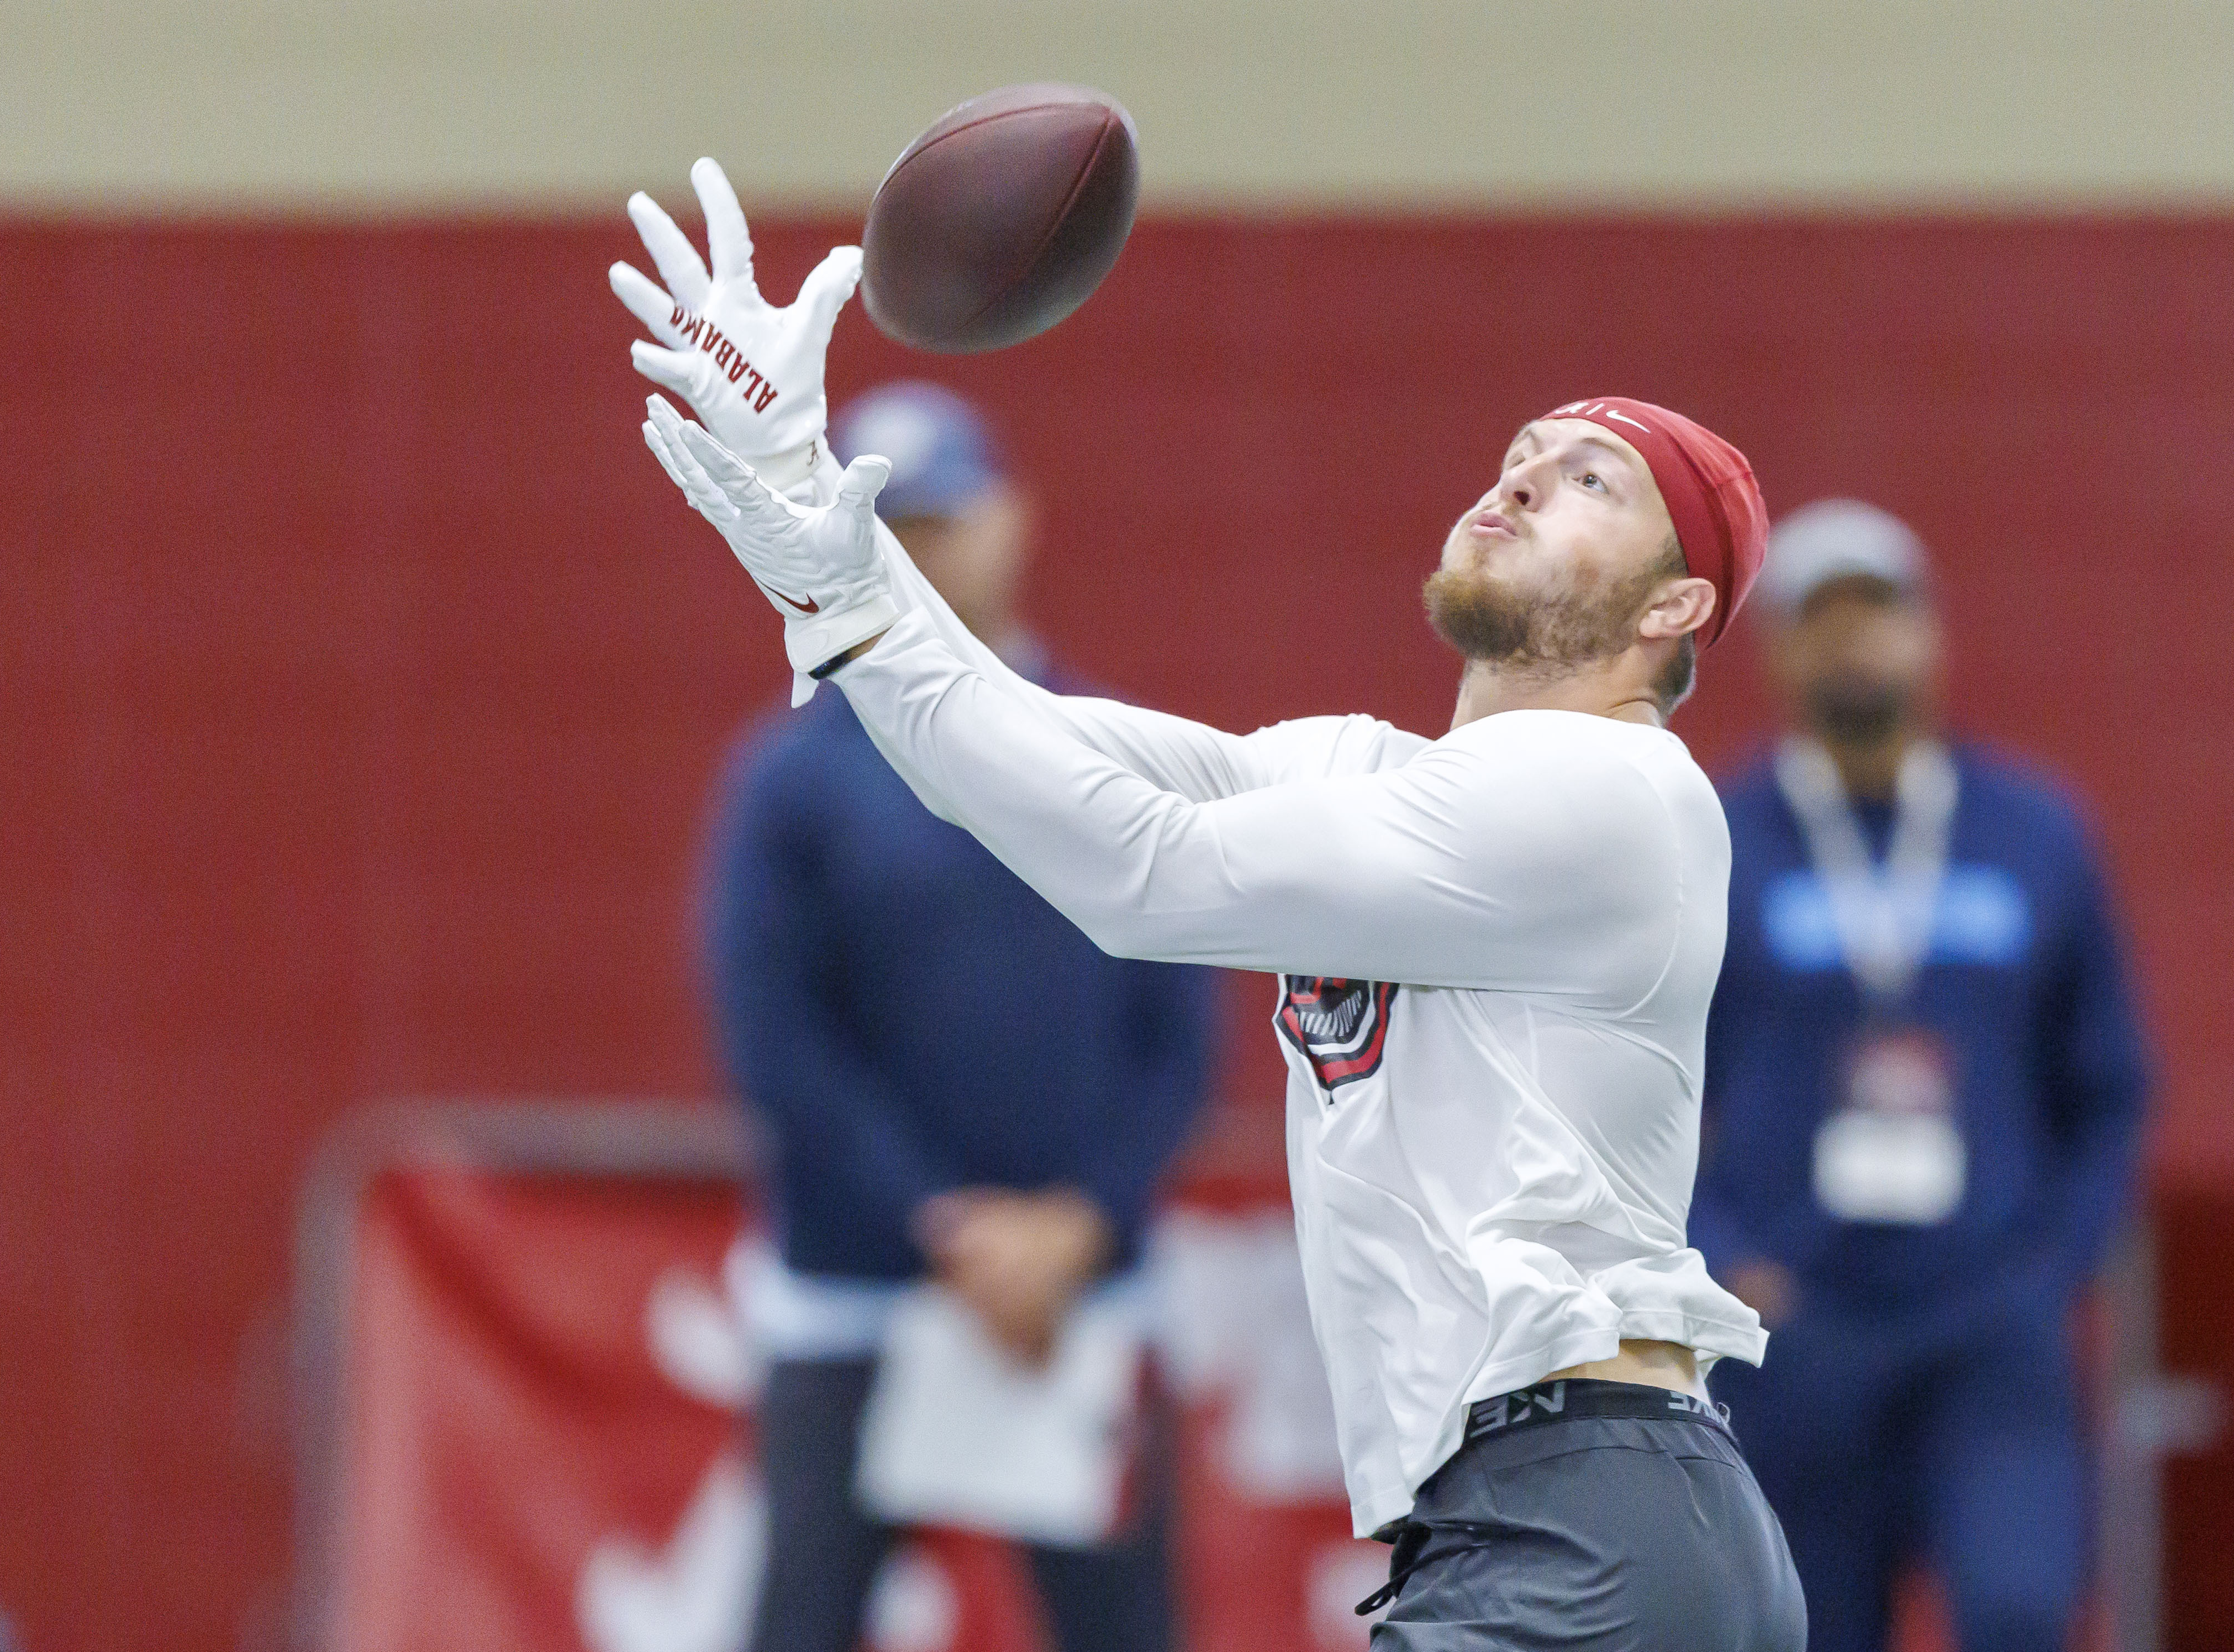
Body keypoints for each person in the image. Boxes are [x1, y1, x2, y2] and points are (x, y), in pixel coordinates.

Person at [615, 162, 1805, 1649]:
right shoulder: (1374, 772)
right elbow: (1030, 749)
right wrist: (812, 522)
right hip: (1541, 1522)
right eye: (1519, 451)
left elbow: (1140, 875)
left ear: (1673, 609)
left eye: (1588, 482)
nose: (1517, 477)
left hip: (1590, 1519)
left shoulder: (1611, 796)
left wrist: (847, 597)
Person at [617, 169, 1216, 1652]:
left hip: (1078, 1298)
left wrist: (1076, 1224)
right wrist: (943, 1225)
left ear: (1013, 520)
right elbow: (773, 1035)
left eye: (948, 514)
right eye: (900, 522)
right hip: (859, 1291)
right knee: (804, 1620)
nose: (932, 547)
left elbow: (1183, 1015)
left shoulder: (1110, 744)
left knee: (1122, 1629)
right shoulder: (795, 778)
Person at [1692, 500, 2153, 1652]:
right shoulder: (1713, 838)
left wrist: (2052, 1265)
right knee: (1808, 1625)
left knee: (2016, 1607)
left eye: (1880, 614)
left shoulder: (2034, 832)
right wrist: (1718, 1254)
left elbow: (2108, 1082)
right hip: (1799, 1316)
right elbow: (1634, 1086)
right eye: (1823, 620)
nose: (1857, 646)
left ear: (1932, 634)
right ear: (1778, 650)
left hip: (1986, 1315)